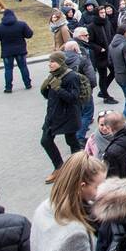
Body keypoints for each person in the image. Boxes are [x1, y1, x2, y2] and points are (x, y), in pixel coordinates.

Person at [41, 51, 82, 184]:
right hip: (53, 115)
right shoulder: (53, 76)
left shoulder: (71, 77)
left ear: (60, 62)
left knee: (72, 142)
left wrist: (58, 89)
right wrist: (45, 89)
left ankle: (78, 169)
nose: (50, 64)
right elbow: (50, 97)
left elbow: (73, 98)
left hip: (67, 115)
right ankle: (59, 167)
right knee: (45, 140)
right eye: (49, 61)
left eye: (52, 61)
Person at [0, 9, 33, 93]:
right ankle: (27, 84)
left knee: (8, 69)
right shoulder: (21, 24)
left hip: (7, 51)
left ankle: (8, 87)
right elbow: (29, 34)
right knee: (23, 67)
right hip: (20, 50)